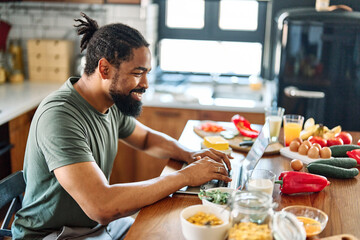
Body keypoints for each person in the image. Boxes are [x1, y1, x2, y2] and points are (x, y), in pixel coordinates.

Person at [11, 12, 232, 240]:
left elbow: (146, 139)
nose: (144, 84)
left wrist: (190, 154)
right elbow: (102, 206)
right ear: (104, 69)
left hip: (96, 227)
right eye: (137, 73)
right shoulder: (60, 116)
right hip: (56, 235)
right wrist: (185, 177)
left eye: (146, 73)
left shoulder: (111, 101)